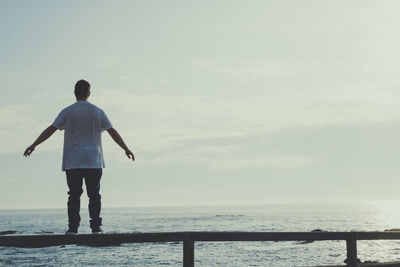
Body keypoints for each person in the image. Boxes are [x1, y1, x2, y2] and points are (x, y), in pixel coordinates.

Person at [23, 79, 134, 235]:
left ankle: (73, 229)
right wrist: (126, 148)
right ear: (89, 93)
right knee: (94, 195)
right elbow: (112, 131)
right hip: (93, 160)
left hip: (73, 161)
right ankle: (96, 228)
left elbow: (51, 129)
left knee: (74, 195)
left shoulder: (67, 111)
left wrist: (33, 145)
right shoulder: (98, 111)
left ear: (75, 93)